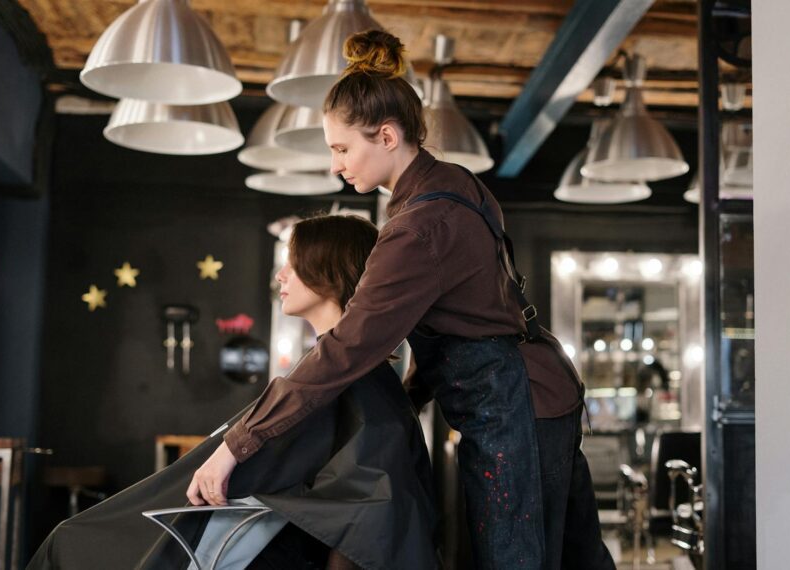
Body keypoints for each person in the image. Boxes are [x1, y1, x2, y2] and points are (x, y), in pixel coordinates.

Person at [190, 30, 614, 569]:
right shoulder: (456, 185)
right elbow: (463, 322)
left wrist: (237, 444)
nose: (335, 165)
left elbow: (348, 346)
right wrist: (404, 400)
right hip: (541, 395)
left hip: (517, 410)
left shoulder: (420, 227)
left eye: (342, 148)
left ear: (387, 136)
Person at [29, 215, 436, 570]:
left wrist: (230, 454)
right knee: (73, 538)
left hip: (278, 546)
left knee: (71, 543)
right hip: (265, 537)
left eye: (292, 264)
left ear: (327, 271)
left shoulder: (345, 382)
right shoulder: (338, 375)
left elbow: (367, 514)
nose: (281, 275)